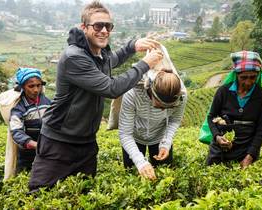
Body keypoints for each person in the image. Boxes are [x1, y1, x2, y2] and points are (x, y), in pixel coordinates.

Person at [28, 1, 163, 191]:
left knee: (84, 192)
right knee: (40, 194)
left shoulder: (99, 54)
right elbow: (112, 88)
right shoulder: (74, 57)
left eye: (108, 26)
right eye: (98, 26)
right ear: (84, 28)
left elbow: (112, 60)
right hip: (59, 141)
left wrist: (133, 46)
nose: (104, 31)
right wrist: (145, 64)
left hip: (86, 142)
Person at [119, 69, 187, 180]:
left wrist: (166, 143)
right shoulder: (133, 93)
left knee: (164, 177)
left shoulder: (181, 96)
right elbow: (125, 133)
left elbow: (175, 120)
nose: (162, 110)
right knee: (132, 175)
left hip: (160, 136)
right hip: (135, 137)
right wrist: (140, 162)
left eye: (168, 108)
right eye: (159, 106)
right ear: (151, 92)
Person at [207, 50, 262, 169]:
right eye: (243, 77)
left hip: (246, 150)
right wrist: (217, 137)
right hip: (220, 149)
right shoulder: (223, 92)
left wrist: (250, 156)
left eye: (253, 77)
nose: (248, 82)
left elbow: (261, 129)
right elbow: (211, 117)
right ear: (236, 74)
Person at [10, 67, 51, 173]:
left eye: (38, 85)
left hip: (47, 152)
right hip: (27, 157)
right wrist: (33, 144)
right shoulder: (18, 108)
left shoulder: (46, 102)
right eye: (31, 86)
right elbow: (16, 131)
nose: (36, 89)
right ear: (23, 87)